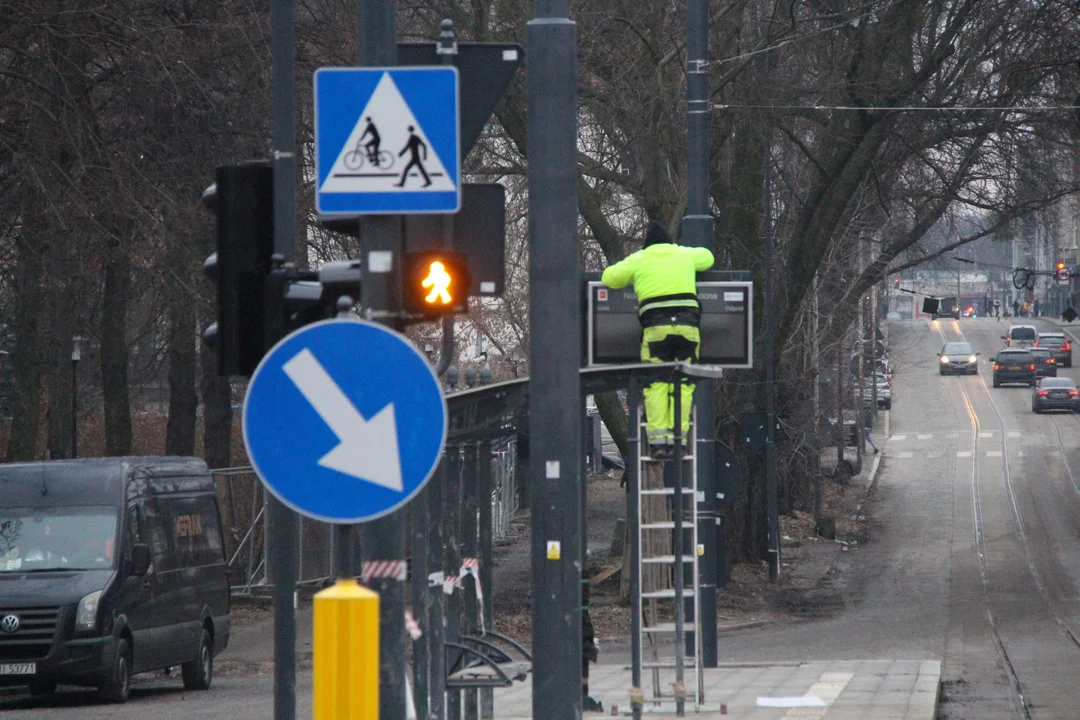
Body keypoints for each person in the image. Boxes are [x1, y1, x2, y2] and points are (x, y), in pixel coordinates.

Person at [601, 221, 714, 458]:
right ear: (669, 241)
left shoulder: (639, 259)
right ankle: (680, 441)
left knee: (656, 384)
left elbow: (609, 278)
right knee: (684, 383)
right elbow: (708, 258)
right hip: (687, 329)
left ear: (646, 244)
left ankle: (658, 443)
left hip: (656, 330)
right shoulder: (684, 254)